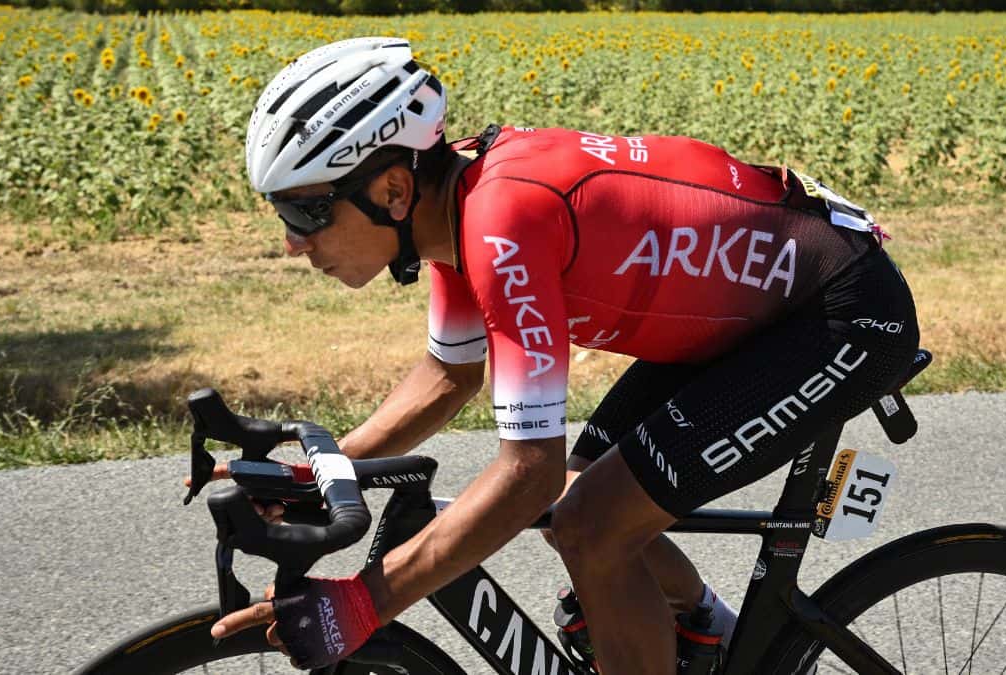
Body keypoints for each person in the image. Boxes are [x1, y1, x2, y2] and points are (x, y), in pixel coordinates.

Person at [207, 37, 920, 673]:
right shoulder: (456, 213)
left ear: (393, 188)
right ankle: (709, 631)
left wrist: (367, 600)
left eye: (305, 213)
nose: (293, 242)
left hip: (841, 314)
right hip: (754, 308)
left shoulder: (501, 223)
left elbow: (528, 469)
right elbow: (449, 376)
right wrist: (328, 467)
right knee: (576, 511)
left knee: (590, 523)